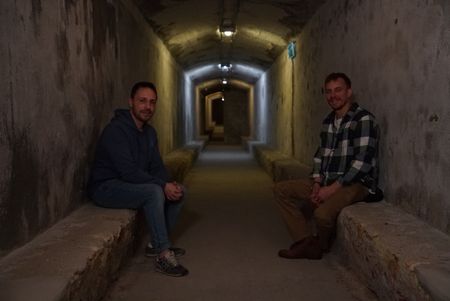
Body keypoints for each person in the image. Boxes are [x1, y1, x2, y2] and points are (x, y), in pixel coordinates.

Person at [274, 72, 381, 259]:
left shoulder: (362, 119)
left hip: (356, 184)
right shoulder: (328, 122)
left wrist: (331, 190)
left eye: (338, 90)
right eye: (329, 92)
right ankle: (305, 241)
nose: (333, 96)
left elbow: (362, 163)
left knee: (322, 215)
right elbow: (320, 156)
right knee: (280, 190)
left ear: (349, 92)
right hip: (328, 180)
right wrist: (317, 183)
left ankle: (320, 246)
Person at [87, 81, 188, 277]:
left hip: (128, 183)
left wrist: (169, 184)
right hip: (106, 187)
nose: (147, 107)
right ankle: (162, 254)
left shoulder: (149, 133)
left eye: (152, 102)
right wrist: (162, 186)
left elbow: (156, 167)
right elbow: (128, 172)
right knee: (154, 192)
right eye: (142, 101)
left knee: (180, 191)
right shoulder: (116, 130)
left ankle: (156, 244)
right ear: (131, 102)